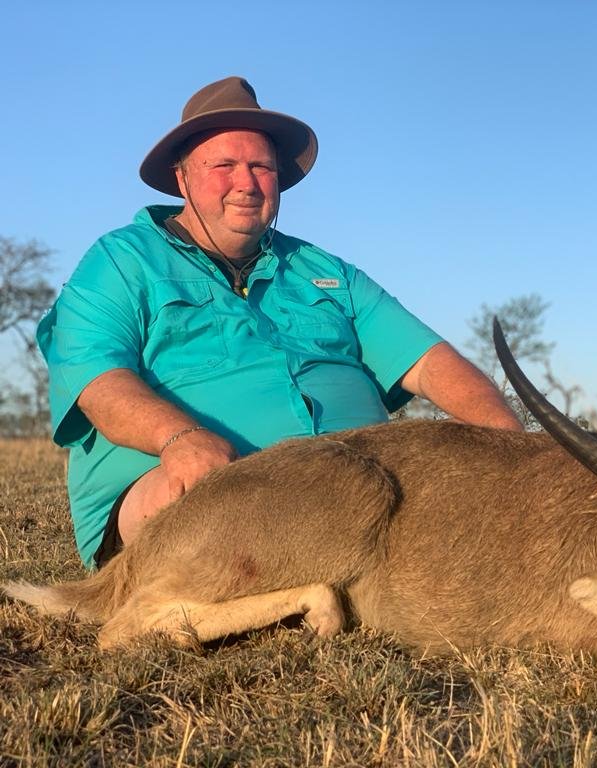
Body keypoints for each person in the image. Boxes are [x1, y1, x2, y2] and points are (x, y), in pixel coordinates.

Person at [37, 76, 522, 570]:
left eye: (260, 167)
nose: (246, 183)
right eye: (224, 165)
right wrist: (180, 439)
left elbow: (430, 362)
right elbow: (97, 381)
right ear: (182, 178)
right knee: (196, 494)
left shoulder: (326, 271)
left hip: (358, 489)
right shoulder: (120, 260)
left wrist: (512, 445)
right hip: (200, 483)